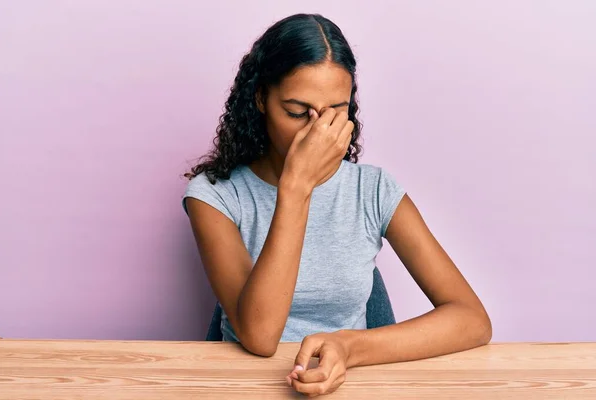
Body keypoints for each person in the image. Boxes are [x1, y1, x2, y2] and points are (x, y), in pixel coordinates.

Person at [183, 13, 491, 397]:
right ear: (261, 98)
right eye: (298, 112)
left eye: (335, 111)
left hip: (347, 384)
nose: (317, 131)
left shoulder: (373, 190)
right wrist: (297, 187)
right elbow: (260, 337)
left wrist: (348, 347)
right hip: (245, 386)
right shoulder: (215, 196)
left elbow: (472, 320)